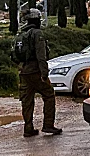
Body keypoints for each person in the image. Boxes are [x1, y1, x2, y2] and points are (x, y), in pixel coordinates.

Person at [16, 8, 62, 137]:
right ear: (36, 20)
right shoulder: (37, 34)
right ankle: (48, 125)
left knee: (27, 101)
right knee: (49, 95)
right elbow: (41, 55)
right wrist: (44, 73)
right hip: (35, 71)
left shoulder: (21, 34)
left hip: (23, 72)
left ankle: (28, 128)